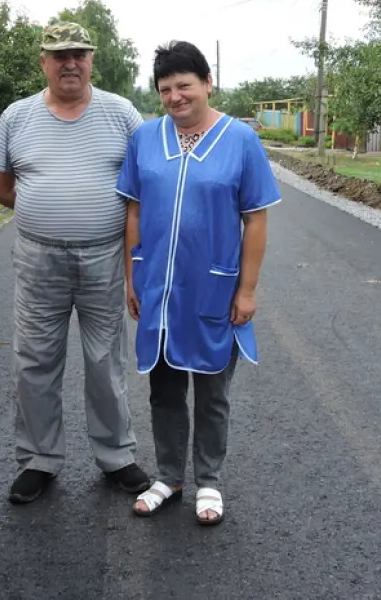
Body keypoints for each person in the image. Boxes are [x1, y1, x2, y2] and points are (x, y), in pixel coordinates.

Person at [117, 40, 281, 525]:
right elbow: (134, 209)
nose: (174, 97)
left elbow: (255, 219)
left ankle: (208, 480)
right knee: (164, 388)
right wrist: (133, 275)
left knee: (212, 391)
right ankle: (169, 475)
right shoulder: (146, 138)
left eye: (184, 85)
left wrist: (247, 290)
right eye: (165, 88)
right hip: (158, 289)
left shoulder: (240, 140)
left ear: (207, 84)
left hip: (213, 287)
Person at [0, 21, 152, 504]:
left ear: (91, 60)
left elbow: (142, 193)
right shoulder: (16, 118)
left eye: (79, 53)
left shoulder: (121, 114)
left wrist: (132, 269)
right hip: (38, 259)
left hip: (103, 256)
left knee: (105, 360)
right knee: (35, 360)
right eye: (59, 55)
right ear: (43, 62)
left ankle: (116, 455)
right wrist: (49, 210)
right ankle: (39, 459)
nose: (70, 62)